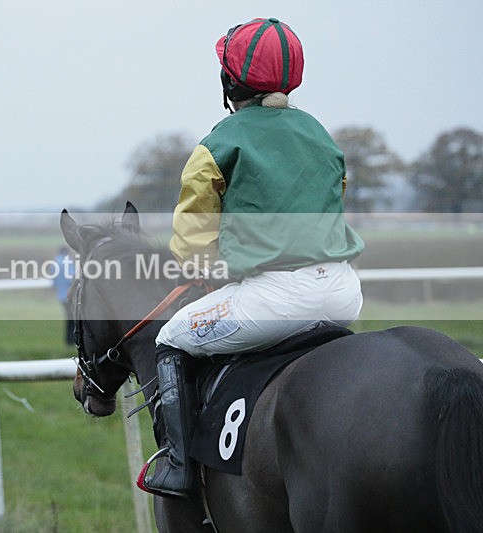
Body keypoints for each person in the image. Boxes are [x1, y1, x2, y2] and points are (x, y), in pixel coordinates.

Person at [140, 17, 365, 497]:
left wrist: (217, 266)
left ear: (229, 80)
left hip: (274, 300)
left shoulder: (218, 143)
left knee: (170, 339)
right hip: (344, 294)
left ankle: (178, 468)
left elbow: (191, 246)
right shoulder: (321, 135)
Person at [52, 246, 76, 346]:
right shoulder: (68, 262)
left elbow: (53, 281)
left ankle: (69, 340)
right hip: (70, 295)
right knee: (73, 319)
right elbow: (71, 278)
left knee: (69, 318)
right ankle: (71, 340)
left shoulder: (55, 262)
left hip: (61, 295)